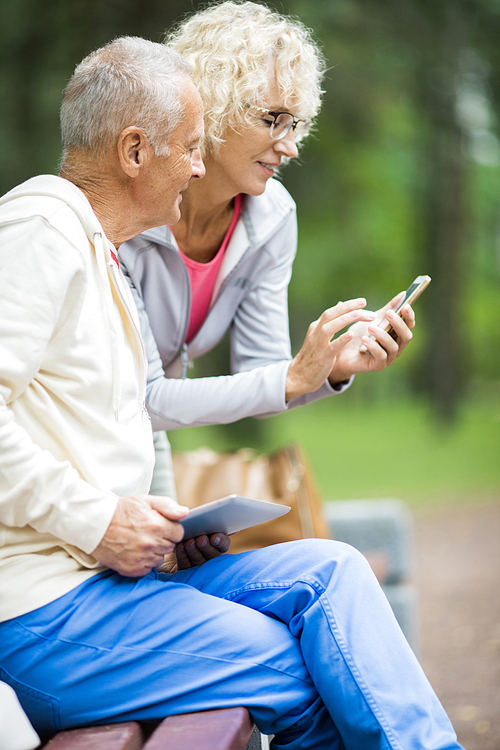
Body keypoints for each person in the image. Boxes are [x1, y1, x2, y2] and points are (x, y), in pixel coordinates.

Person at [0, 33, 464, 750]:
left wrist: (164, 528)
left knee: (330, 567)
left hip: (113, 579)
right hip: (44, 608)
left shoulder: (104, 254)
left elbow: (128, 417)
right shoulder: (39, 230)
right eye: (188, 147)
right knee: (303, 670)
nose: (194, 167)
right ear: (132, 152)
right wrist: (98, 522)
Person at [119, 0, 416, 498]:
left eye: (295, 124)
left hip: (143, 443)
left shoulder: (273, 216)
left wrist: (332, 364)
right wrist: (293, 376)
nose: (291, 146)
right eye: (273, 119)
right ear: (212, 108)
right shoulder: (129, 211)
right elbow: (142, 400)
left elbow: (264, 376)